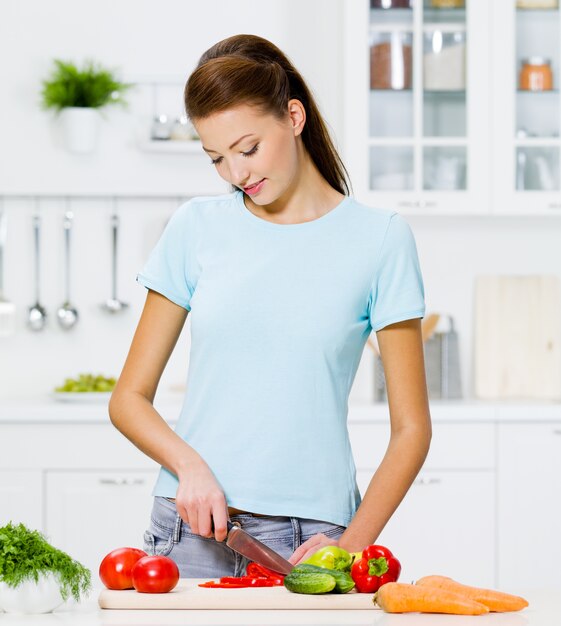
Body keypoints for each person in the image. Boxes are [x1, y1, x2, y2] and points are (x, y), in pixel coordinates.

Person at [109, 33, 431, 578]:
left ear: (294, 117)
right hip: (191, 524)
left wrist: (351, 545)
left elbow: (412, 430)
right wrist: (189, 467)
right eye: (216, 158)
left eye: (248, 149)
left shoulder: (380, 239)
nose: (237, 174)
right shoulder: (195, 227)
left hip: (311, 540)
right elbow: (128, 400)